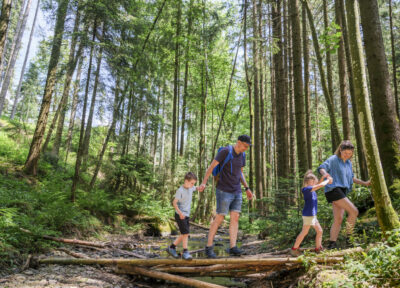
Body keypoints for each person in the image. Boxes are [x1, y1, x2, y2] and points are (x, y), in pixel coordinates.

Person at [198, 135, 254, 258]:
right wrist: (203, 182)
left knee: (235, 218)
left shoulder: (243, 156)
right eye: (245, 146)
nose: (246, 148)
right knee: (220, 218)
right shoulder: (225, 151)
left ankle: (233, 247)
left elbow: (240, 172)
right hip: (223, 190)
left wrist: (247, 188)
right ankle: (208, 247)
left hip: (237, 190)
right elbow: (211, 167)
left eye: (248, 146)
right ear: (238, 142)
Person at [318, 140, 370, 249]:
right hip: (333, 190)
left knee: (338, 219)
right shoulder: (333, 159)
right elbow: (322, 168)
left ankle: (332, 244)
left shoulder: (348, 163)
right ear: (340, 150)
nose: (347, 155)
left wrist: (364, 183)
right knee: (354, 211)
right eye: (345, 153)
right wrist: (326, 175)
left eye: (350, 154)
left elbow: (351, 178)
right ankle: (349, 239)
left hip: (341, 191)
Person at [290, 171, 331, 257]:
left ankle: (317, 248)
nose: (315, 182)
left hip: (311, 215)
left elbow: (318, 185)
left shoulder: (312, 188)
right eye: (314, 180)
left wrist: (323, 179)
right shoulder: (306, 189)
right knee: (308, 232)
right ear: (309, 181)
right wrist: (328, 180)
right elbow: (320, 185)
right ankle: (296, 249)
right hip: (309, 215)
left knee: (316, 231)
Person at [166, 172, 200, 260]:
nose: (193, 185)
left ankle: (172, 247)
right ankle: (185, 252)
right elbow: (174, 203)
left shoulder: (191, 188)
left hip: (186, 214)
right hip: (180, 215)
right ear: (186, 181)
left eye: (194, 183)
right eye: (192, 183)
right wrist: (180, 213)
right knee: (185, 233)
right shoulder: (180, 191)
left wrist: (199, 188)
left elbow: (196, 188)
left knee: (184, 233)